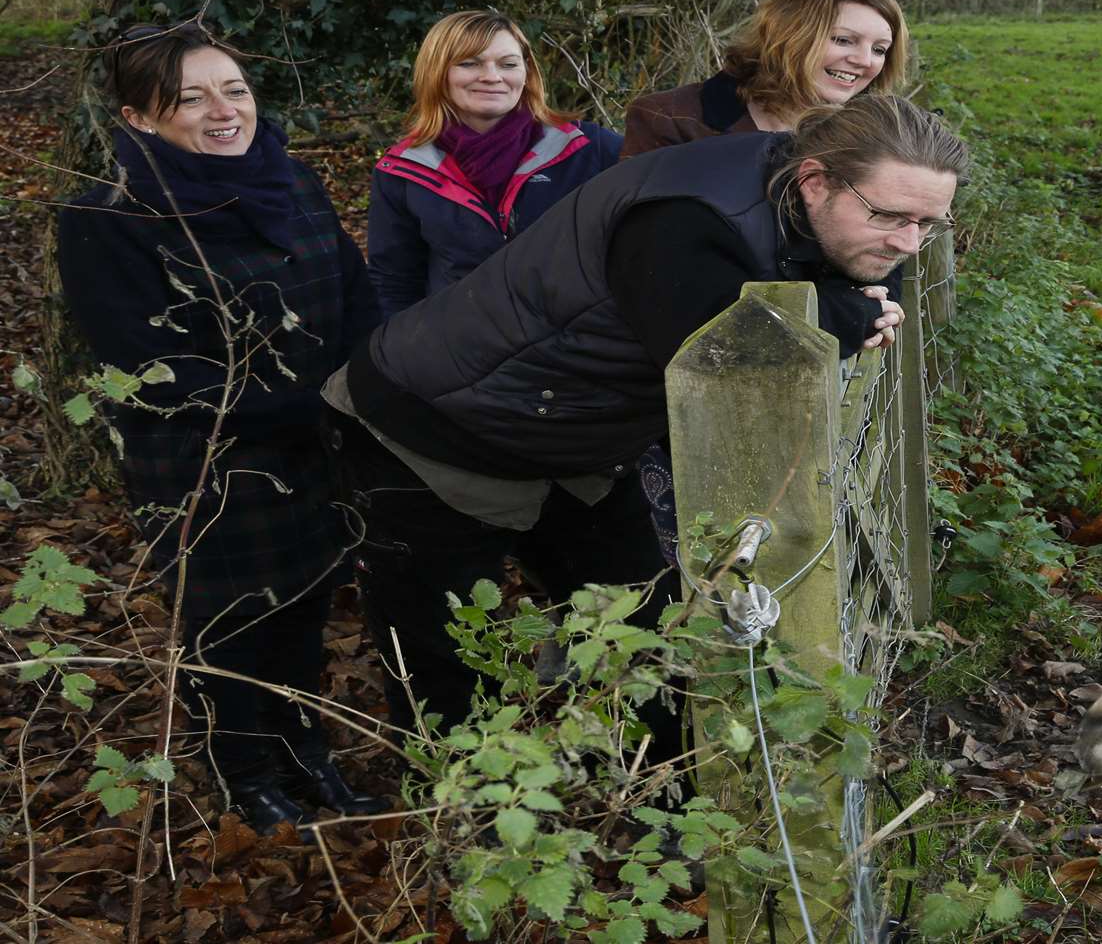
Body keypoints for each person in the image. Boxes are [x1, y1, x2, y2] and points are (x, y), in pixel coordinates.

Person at [324, 95, 968, 736]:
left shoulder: (801, 198)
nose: (908, 243)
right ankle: (460, 818)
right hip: (426, 428)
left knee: (652, 632)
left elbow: (856, 292)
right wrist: (839, 317)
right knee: (446, 653)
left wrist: (849, 301)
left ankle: (664, 803)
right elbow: (719, 364)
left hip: (577, 440)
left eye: (928, 223)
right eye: (888, 215)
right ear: (815, 178)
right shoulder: (687, 221)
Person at [56, 24, 385, 830]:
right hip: (206, 462)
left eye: (233, 89)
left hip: (319, 445)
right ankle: (244, 769)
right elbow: (142, 361)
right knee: (233, 623)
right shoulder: (111, 217)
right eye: (191, 98)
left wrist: (360, 387)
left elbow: (351, 294)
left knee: (307, 605)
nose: (222, 111)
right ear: (139, 117)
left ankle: (306, 752)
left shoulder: (293, 182)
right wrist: (306, 403)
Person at [368, 10, 622, 318]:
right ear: (437, 72)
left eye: (508, 64)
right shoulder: (404, 170)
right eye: (469, 63)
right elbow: (395, 281)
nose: (491, 76)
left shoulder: (590, 149)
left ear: (527, 73)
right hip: (460, 351)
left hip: (573, 348)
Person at [621, 0, 909, 157]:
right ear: (789, 36)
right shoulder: (670, 119)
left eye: (880, 49)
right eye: (843, 40)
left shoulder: (873, 141)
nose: (864, 61)